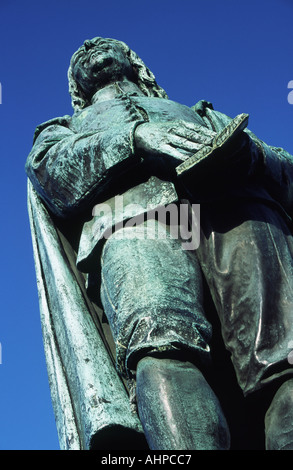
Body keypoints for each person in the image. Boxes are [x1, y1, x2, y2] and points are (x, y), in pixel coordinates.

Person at [26, 37, 293, 450]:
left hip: (241, 210)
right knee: (161, 340)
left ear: (134, 62)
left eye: (105, 45)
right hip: (135, 221)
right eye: (81, 55)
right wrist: (135, 139)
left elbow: (286, 170)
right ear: (76, 86)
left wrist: (253, 156)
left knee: (282, 354)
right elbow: (48, 171)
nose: (90, 45)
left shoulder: (203, 113)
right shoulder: (62, 129)